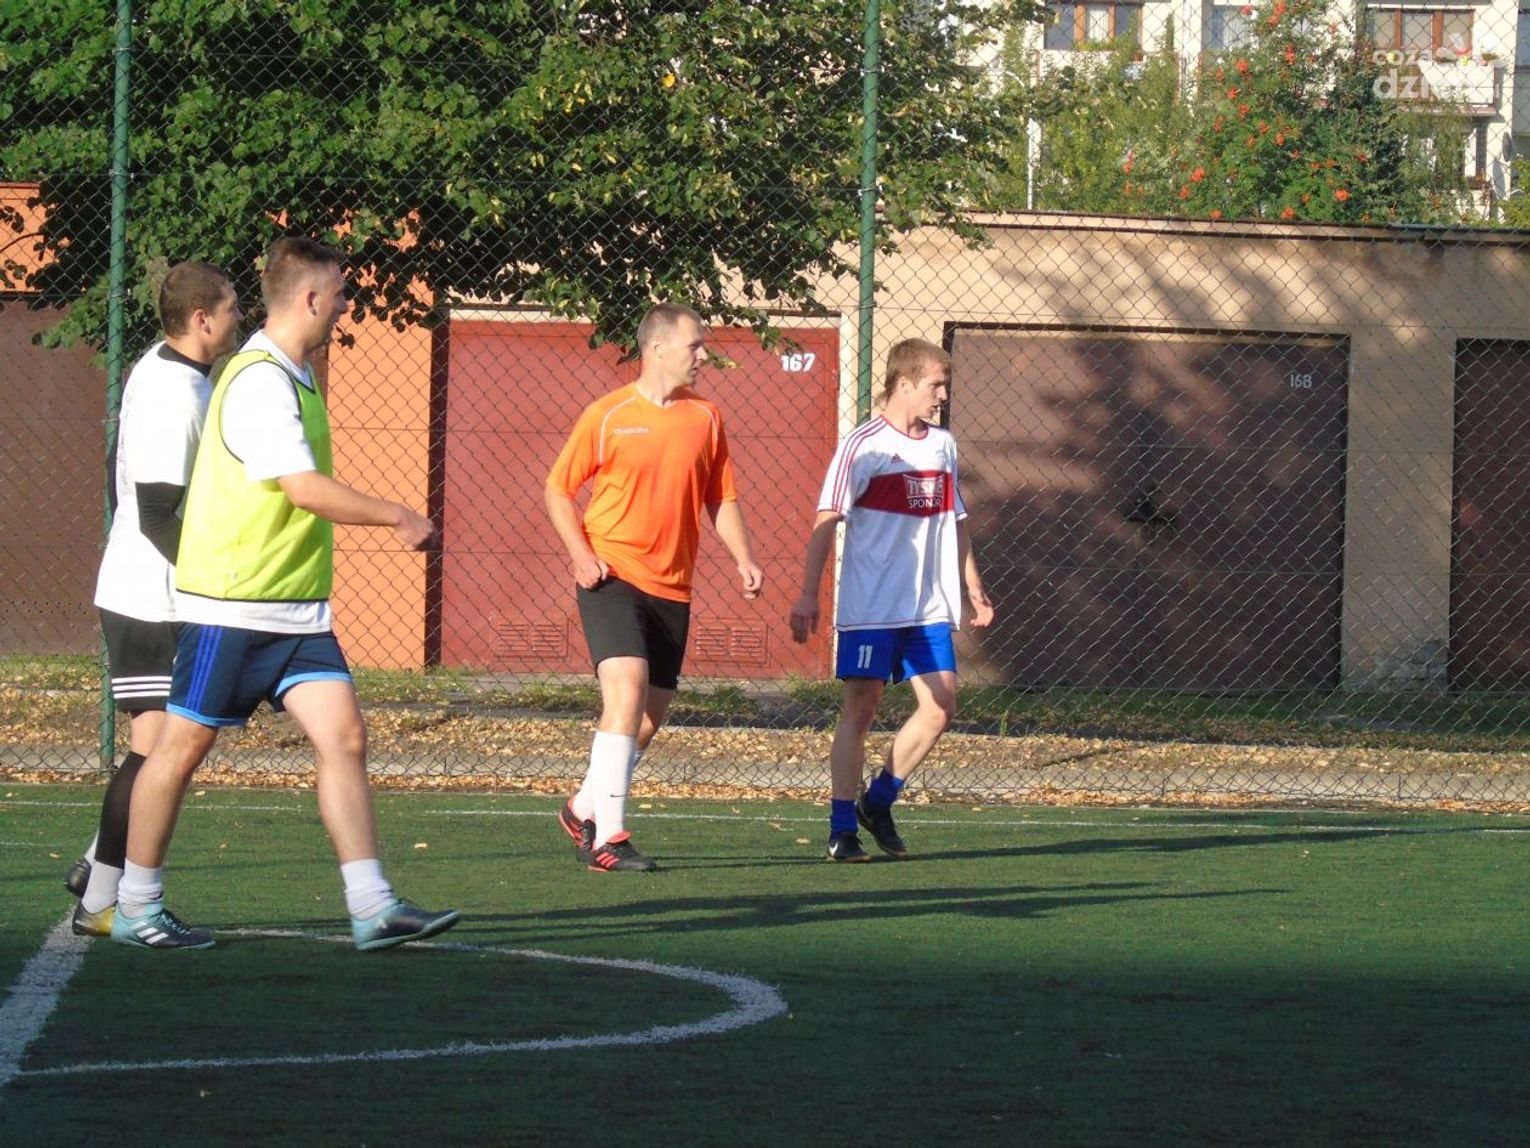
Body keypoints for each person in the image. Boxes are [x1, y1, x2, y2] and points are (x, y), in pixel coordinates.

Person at [112, 236, 460, 950]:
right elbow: (303, 490)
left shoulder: (294, 375)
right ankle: (135, 906)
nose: (347, 305)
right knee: (180, 748)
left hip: (295, 611)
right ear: (311, 298)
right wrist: (397, 515)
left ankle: (372, 907)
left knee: (345, 737)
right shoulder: (260, 380)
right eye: (341, 293)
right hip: (232, 607)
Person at [545, 302, 763, 872]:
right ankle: (608, 838)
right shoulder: (608, 414)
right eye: (695, 345)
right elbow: (558, 490)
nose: (703, 355)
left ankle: (582, 807)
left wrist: (744, 557)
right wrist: (581, 555)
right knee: (627, 690)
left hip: (674, 587)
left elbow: (721, 497)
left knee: (649, 716)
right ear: (657, 348)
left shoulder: (706, 417)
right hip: (612, 574)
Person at [65, 262, 243, 937]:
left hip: (151, 589)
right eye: (231, 308)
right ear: (202, 318)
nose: (238, 318)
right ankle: (102, 900)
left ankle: (97, 870)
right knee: (157, 749)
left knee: (163, 745)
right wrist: (215, 582)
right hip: (153, 598)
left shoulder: (170, 369)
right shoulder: (176, 392)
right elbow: (156, 514)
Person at [789, 338, 995, 862]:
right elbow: (826, 519)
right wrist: (808, 595)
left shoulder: (943, 445)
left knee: (941, 706)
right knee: (861, 708)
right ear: (904, 384)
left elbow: (956, 520)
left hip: (927, 608)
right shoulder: (862, 445)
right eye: (935, 386)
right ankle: (842, 827)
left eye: (944, 386)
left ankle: (877, 802)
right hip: (872, 607)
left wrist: (971, 585)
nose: (943, 396)